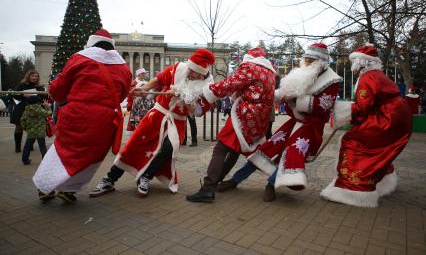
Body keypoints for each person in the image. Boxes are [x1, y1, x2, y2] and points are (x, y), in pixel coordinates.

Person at [218, 43, 342, 202]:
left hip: (311, 127)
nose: (308, 63)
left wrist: (295, 99)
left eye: (311, 60)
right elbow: (289, 102)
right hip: (293, 123)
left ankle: (271, 185)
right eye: (307, 60)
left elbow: (324, 105)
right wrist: (286, 99)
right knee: (266, 150)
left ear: (320, 61)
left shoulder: (332, 80)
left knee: (290, 155)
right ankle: (235, 180)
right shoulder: (303, 74)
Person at [89, 48, 215, 197]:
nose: (190, 73)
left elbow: (199, 112)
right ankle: (109, 179)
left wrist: (184, 98)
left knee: (169, 149)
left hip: (177, 122)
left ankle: (146, 176)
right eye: (190, 69)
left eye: (194, 72)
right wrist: (144, 88)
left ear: (202, 73)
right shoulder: (180, 69)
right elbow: (160, 79)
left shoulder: (208, 88)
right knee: (134, 145)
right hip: (158, 113)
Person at [32, 29, 132, 203]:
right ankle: (69, 190)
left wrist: (63, 99)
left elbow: (58, 88)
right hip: (106, 121)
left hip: (77, 116)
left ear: (92, 43)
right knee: (90, 157)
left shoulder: (80, 58)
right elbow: (122, 95)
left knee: (61, 152)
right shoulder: (123, 67)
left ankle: (45, 187)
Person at [321, 44, 412, 208]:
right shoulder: (377, 75)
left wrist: (339, 110)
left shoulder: (367, 78)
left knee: (353, 141)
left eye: (354, 60)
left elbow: (362, 109)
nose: (352, 65)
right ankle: (382, 179)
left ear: (361, 61)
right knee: (378, 148)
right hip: (397, 118)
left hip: (388, 120)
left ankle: (354, 190)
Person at [186, 47, 276, 203]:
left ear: (248, 58)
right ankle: (217, 180)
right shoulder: (270, 73)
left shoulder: (250, 67)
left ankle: (208, 188)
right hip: (259, 119)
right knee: (234, 150)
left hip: (244, 115)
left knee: (220, 149)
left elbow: (229, 84)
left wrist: (206, 92)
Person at [10, 70, 45, 153]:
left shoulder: (40, 87)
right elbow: (15, 95)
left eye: (36, 76)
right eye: (32, 76)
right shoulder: (22, 85)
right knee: (19, 127)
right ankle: (17, 146)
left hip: (35, 109)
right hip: (22, 108)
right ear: (28, 76)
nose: (34, 77)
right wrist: (23, 94)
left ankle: (30, 145)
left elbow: (44, 97)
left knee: (33, 128)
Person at [20, 96, 51, 165]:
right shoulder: (39, 109)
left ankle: (25, 160)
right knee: (42, 146)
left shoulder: (26, 110)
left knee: (27, 146)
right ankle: (45, 160)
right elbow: (48, 113)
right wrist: (47, 106)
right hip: (40, 131)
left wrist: (25, 128)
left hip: (31, 131)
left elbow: (22, 120)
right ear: (38, 102)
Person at [126, 67, 155, 132]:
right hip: (136, 106)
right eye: (142, 73)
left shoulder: (146, 82)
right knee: (136, 121)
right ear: (139, 74)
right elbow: (131, 93)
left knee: (145, 120)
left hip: (145, 106)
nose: (144, 75)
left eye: (144, 73)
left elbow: (150, 93)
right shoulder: (134, 83)